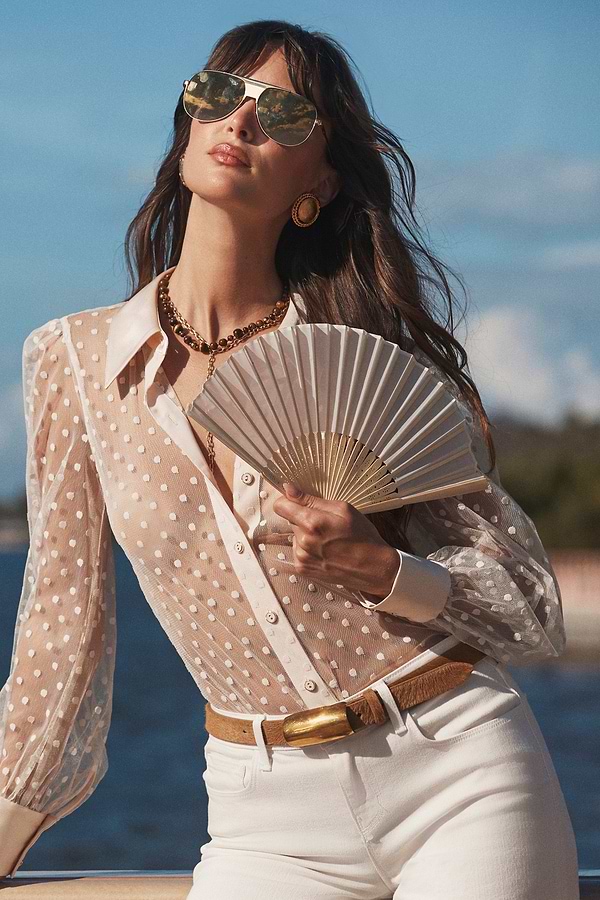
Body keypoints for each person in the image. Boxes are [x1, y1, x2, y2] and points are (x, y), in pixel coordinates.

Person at [0, 18, 579, 899]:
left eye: (285, 114)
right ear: (189, 124)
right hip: (265, 820)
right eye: (220, 94)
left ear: (319, 183)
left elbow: (529, 607)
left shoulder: (365, 358)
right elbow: (60, 634)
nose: (241, 121)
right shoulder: (74, 363)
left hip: (458, 770)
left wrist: (384, 568)